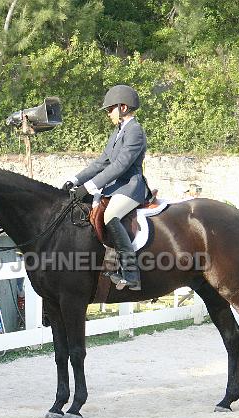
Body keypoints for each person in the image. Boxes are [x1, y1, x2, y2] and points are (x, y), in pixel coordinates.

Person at [62, 84, 149, 291]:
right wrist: (75, 180)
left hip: (131, 186)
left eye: (110, 109)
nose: (108, 113)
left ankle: (130, 273)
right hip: (115, 186)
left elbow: (120, 165)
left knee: (110, 215)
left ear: (123, 108)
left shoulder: (135, 131)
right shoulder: (118, 132)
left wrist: (90, 187)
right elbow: (102, 162)